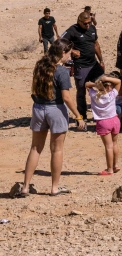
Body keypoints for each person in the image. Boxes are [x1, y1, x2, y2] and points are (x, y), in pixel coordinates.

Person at [11, 39, 80, 197]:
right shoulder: (62, 71)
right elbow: (67, 98)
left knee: (35, 148)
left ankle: (26, 186)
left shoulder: (40, 65)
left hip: (39, 108)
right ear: (63, 53)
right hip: (55, 109)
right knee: (57, 150)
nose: (70, 56)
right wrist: (79, 116)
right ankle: (54, 188)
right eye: (69, 53)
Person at [64, 10, 104, 125]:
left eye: (89, 23)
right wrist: (72, 51)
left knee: (103, 86)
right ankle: (81, 116)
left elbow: (96, 44)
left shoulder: (92, 28)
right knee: (81, 91)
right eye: (85, 23)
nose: (87, 25)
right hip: (81, 66)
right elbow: (59, 42)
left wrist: (101, 60)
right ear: (79, 21)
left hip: (94, 64)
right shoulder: (73, 30)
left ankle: (102, 114)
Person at [85, 74, 122, 176]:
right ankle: (115, 165)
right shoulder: (112, 94)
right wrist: (106, 79)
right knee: (114, 144)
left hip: (103, 121)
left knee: (108, 146)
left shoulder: (94, 94)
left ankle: (109, 169)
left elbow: (87, 85)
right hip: (115, 119)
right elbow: (118, 81)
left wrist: (97, 84)